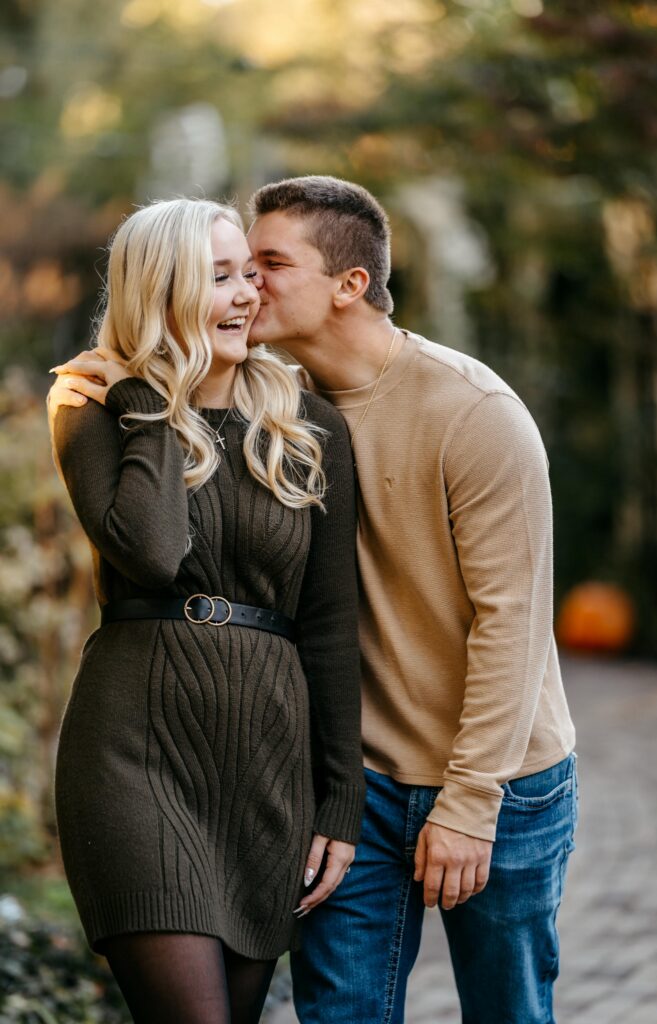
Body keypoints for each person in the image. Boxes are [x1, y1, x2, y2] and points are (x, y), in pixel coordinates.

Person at [242, 176, 578, 1024]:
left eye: (271, 262)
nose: (249, 283)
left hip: (500, 780)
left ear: (350, 284)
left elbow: (514, 622)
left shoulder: (473, 413)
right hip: (355, 786)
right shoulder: (272, 404)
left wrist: (470, 804)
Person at [47, 197, 365, 1024]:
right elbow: (149, 554)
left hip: (263, 765)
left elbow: (329, 626)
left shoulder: (308, 428)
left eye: (248, 274)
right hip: (134, 758)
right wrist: (151, 398)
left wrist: (339, 801)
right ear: (161, 294)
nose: (246, 295)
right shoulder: (91, 408)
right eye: (217, 277)